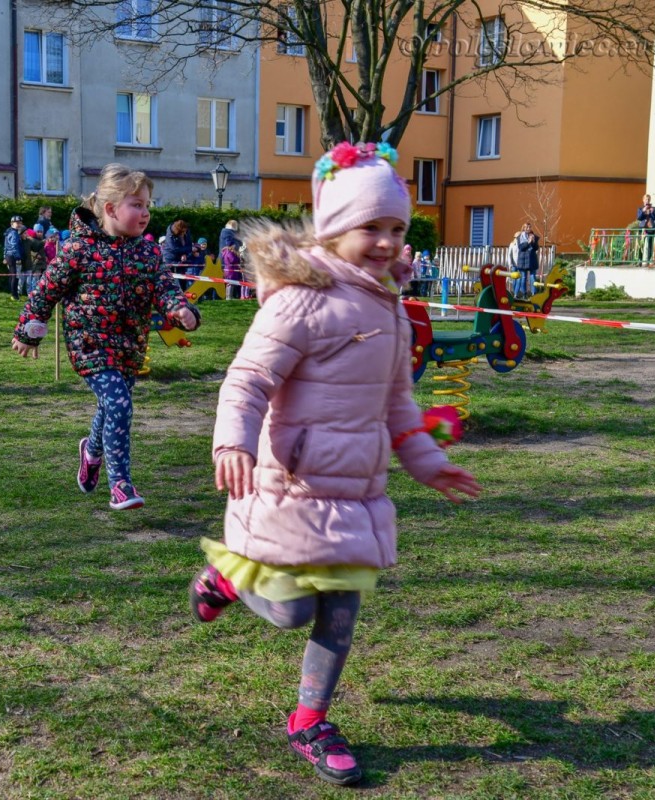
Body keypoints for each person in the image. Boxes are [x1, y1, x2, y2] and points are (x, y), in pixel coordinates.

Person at [187, 142, 481, 787]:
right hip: (289, 486)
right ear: (335, 228)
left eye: (396, 228)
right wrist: (232, 443)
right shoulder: (302, 299)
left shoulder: (390, 308)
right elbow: (248, 380)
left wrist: (426, 460)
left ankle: (310, 721)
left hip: (356, 493)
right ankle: (230, 577)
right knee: (290, 610)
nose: (387, 242)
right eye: (371, 227)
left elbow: (398, 402)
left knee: (342, 611)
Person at [10, 164, 201, 510]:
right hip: (89, 344)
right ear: (111, 209)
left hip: (129, 346)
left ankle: (92, 451)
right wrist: (29, 330)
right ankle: (121, 485)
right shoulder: (78, 249)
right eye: (137, 205)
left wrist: (181, 310)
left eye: (147, 205)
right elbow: (46, 290)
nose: (145, 213)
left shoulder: (148, 252)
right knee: (118, 404)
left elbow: (165, 288)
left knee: (112, 405)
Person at [511, 222, 540, 296]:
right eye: (527, 227)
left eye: (529, 227)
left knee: (533, 277)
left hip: (532, 259)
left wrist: (533, 242)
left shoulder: (533, 236)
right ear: (524, 228)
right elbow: (521, 247)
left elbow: (536, 248)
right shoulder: (520, 237)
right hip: (523, 260)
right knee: (523, 277)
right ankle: (524, 293)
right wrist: (528, 242)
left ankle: (534, 293)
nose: (528, 228)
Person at [3, 214, 26, 299]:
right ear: (12, 223)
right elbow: (14, 246)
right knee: (14, 276)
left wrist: (4, 256)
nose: (19, 224)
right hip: (12, 256)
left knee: (12, 275)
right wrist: (18, 257)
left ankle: (12, 293)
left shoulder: (9, 232)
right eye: (17, 223)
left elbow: (5, 246)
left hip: (9, 255)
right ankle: (14, 295)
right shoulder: (14, 233)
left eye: (20, 223)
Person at [636, 194, 655, 265]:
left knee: (650, 244)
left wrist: (652, 212)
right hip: (642, 228)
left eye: (648, 199)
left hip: (651, 228)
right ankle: (639, 260)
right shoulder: (640, 209)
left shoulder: (654, 208)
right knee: (641, 244)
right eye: (646, 199)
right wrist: (643, 211)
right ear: (643, 200)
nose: (647, 201)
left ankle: (648, 260)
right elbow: (639, 218)